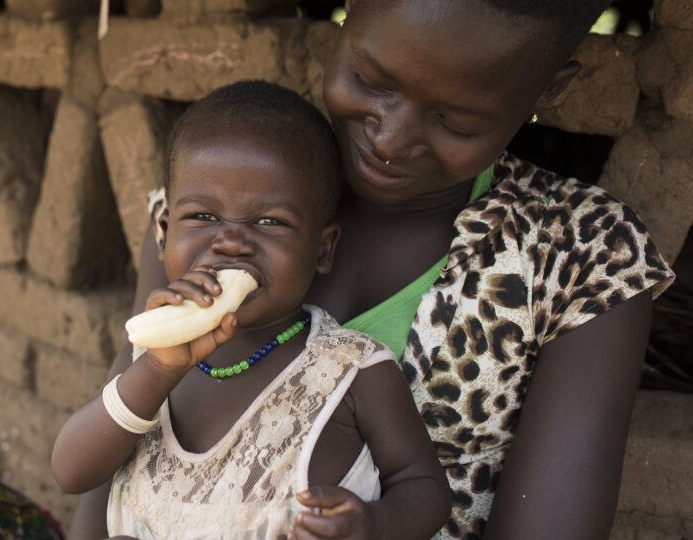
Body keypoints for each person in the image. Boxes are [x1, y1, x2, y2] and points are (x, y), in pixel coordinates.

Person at [71, 1, 676, 538]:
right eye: (370, 80)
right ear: (347, 15)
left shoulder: (578, 255)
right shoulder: (210, 206)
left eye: (456, 121)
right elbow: (109, 462)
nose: (391, 137)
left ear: (549, 89)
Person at [52, 81, 452, 538]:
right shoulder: (151, 354)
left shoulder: (353, 370)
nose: (232, 242)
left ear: (322, 250)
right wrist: (158, 370)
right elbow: (72, 471)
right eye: (203, 217)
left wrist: (374, 524)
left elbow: (424, 488)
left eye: (269, 222)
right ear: (165, 233)